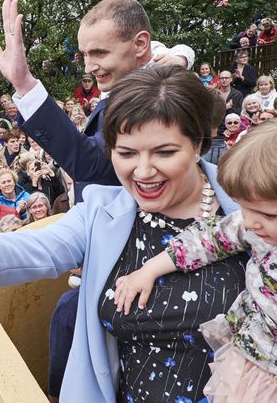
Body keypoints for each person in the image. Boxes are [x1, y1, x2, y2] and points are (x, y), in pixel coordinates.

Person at [0, 66, 247, 402]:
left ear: (199, 144)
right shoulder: (101, 211)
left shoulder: (251, 206)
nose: (144, 171)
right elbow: (42, 246)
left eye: (164, 152)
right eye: (127, 153)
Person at [112, 120, 277, 401]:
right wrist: (150, 269)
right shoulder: (252, 223)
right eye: (243, 207)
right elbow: (209, 238)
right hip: (250, 363)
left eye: (268, 215)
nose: (249, 222)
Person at [0, 0, 194, 203]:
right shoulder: (133, 72)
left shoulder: (153, 98)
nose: (88, 67)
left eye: (99, 53)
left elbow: (89, 163)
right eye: (85, 54)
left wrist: (24, 83)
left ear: (139, 44)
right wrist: (182, 55)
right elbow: (152, 51)